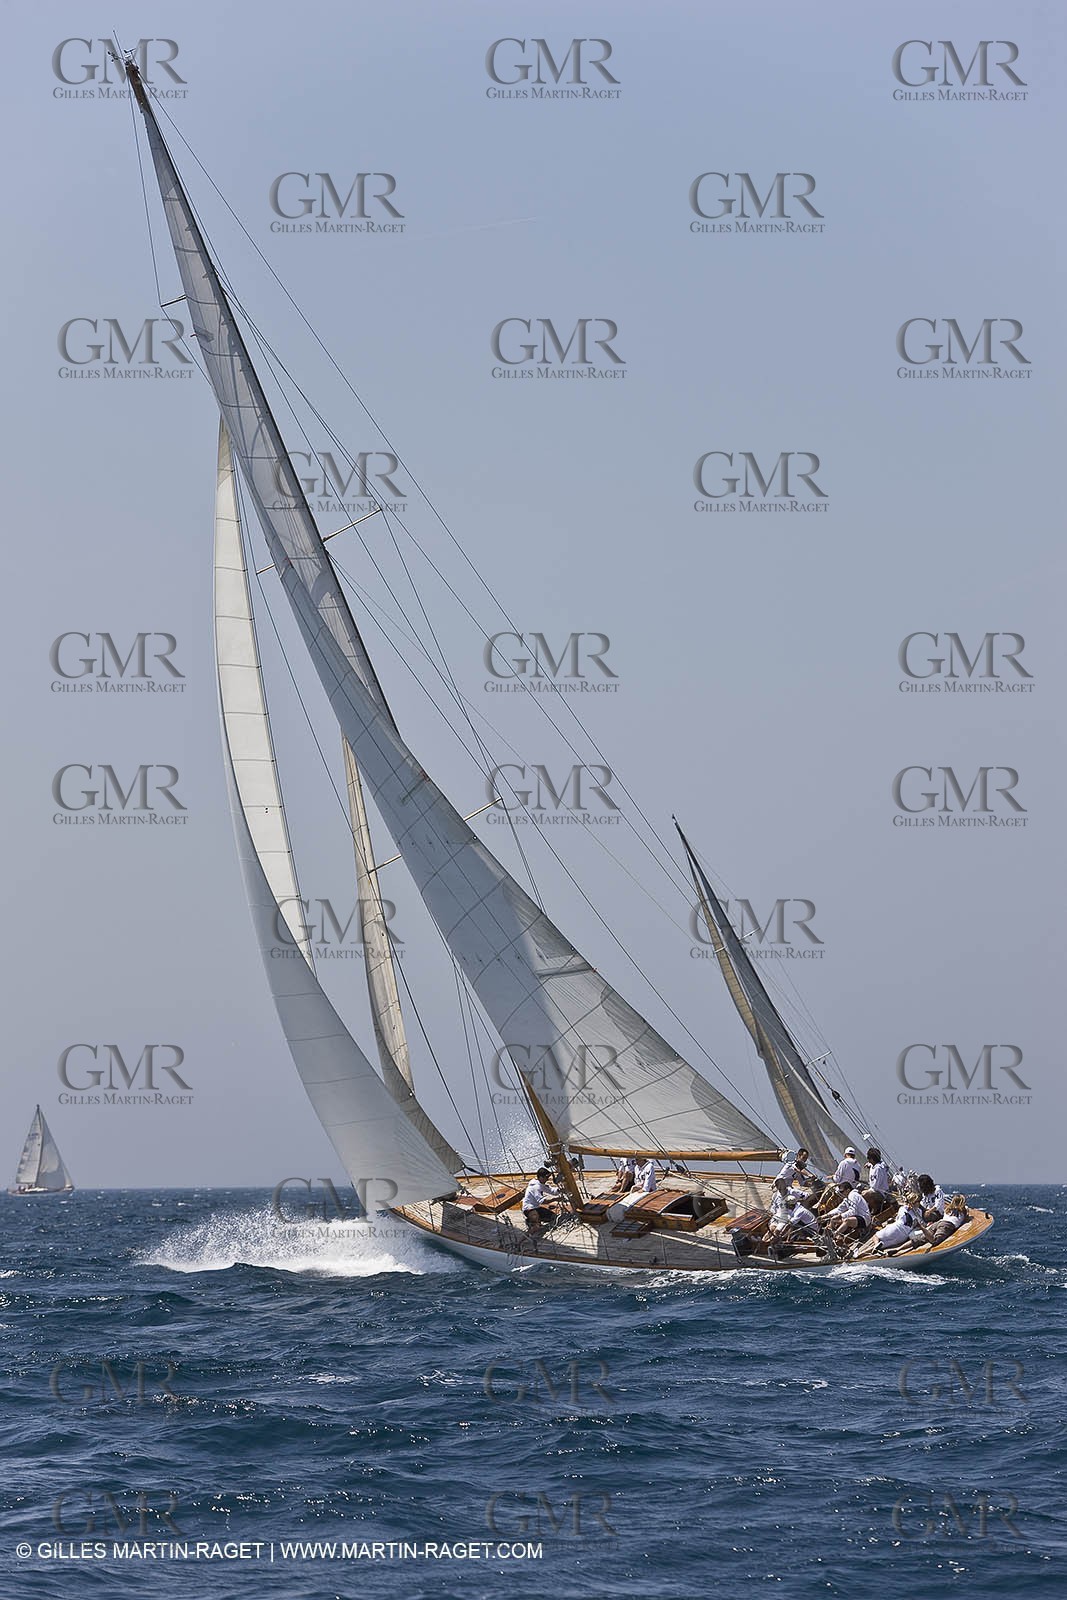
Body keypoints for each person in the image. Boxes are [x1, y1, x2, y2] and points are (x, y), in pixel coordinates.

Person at [521, 1168, 559, 1232]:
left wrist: (560, 1189)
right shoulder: (535, 1187)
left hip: (537, 1208)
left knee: (553, 1217)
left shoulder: (541, 1184)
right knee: (536, 1227)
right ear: (541, 1177)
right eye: (546, 1177)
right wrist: (556, 1199)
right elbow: (543, 1201)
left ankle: (534, 1220)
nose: (547, 1179)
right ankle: (531, 1222)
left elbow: (552, 1191)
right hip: (529, 1209)